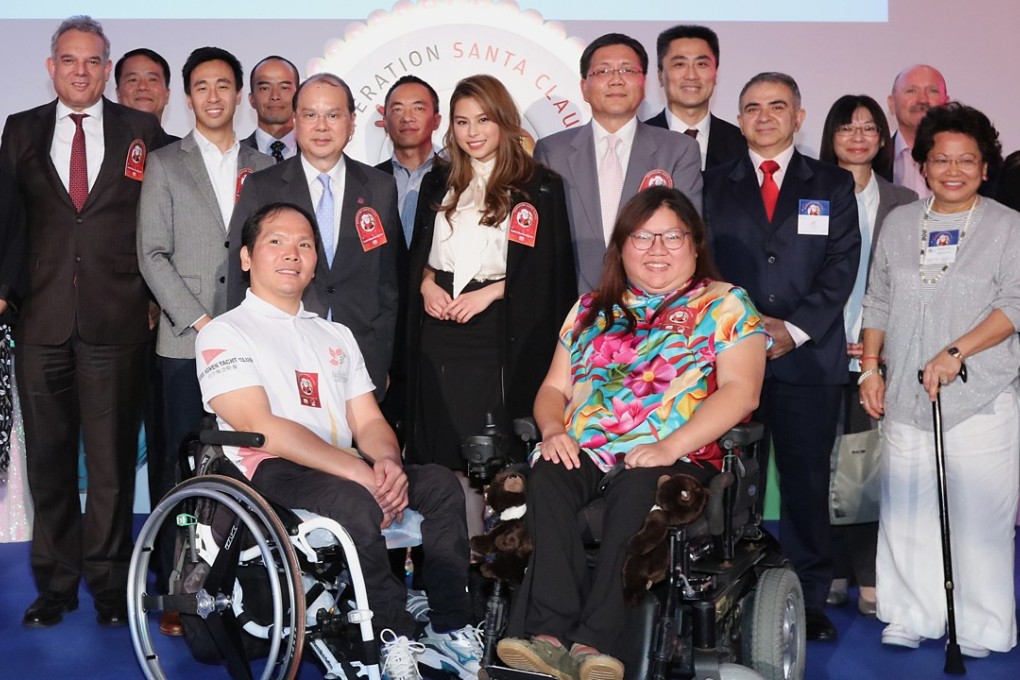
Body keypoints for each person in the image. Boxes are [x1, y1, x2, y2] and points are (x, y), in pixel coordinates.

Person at [197, 201, 482, 680]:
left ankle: (451, 624)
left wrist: (387, 462)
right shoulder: (224, 332)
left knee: (438, 485)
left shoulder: (335, 335)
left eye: (304, 245)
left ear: (314, 262)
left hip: (345, 464)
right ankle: (393, 636)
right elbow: (262, 425)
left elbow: (369, 421)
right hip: (270, 469)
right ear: (246, 258)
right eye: (277, 242)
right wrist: (358, 471)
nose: (292, 254)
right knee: (353, 500)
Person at [496, 186, 766, 680]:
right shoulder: (589, 309)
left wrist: (668, 445)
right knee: (548, 475)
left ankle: (596, 646)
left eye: (671, 237)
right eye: (642, 238)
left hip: (676, 454)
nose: (657, 250)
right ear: (621, 247)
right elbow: (553, 388)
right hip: (589, 449)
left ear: (694, 243)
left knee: (639, 487)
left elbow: (741, 392)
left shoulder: (725, 304)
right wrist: (554, 430)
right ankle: (547, 637)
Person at [0, 15, 163, 628]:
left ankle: (108, 585)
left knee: (113, 464)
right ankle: (55, 586)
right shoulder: (20, 130)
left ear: (106, 69)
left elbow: (162, 218)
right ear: (51, 67)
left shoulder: (141, 130)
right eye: (70, 60)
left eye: (94, 62)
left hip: (117, 319)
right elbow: (5, 217)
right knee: (48, 461)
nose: (81, 71)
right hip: (39, 318)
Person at [703, 72, 861, 642]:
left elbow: (841, 267)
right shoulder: (712, 183)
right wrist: (744, 328)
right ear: (739, 117)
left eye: (777, 106)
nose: (764, 116)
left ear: (798, 115)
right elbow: (705, 265)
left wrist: (794, 329)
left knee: (803, 486)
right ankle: (732, 594)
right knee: (730, 485)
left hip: (807, 360)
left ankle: (808, 598)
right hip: (731, 361)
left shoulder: (833, 184)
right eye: (752, 108)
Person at [860, 102, 1020, 658]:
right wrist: (870, 368)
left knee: (980, 511)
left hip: (984, 393)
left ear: (985, 167)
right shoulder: (901, 222)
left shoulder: (1007, 225)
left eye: (967, 161)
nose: (953, 170)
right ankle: (909, 612)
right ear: (922, 166)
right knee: (905, 504)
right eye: (940, 160)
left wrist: (957, 350)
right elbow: (878, 298)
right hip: (905, 389)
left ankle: (980, 624)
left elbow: (1015, 303)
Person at [137, 46, 273, 636]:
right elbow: (152, 253)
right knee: (179, 466)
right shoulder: (166, 164)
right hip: (184, 344)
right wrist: (200, 320)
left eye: (224, 85)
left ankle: (241, 585)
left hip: (251, 344)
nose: (213, 96)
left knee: (245, 464)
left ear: (239, 94)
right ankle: (173, 590)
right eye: (201, 87)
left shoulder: (265, 166)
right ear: (187, 97)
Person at [405, 74, 576, 538]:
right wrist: (424, 286)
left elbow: (547, 273)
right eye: (461, 122)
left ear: (503, 120)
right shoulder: (438, 180)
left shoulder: (540, 185)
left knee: (498, 463)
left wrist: (492, 292)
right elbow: (420, 254)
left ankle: (500, 571)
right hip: (439, 331)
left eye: (483, 119)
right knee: (444, 459)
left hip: (500, 332)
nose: (472, 131)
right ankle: (452, 569)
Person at [227, 72, 403, 399]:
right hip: (280, 357)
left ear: (351, 122)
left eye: (333, 115)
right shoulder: (260, 187)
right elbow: (240, 276)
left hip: (361, 360)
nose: (322, 126)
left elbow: (388, 285)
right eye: (310, 115)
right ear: (295, 121)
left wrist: (383, 359)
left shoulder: (380, 187)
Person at [818, 94, 917, 617]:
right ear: (830, 135)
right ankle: (831, 568)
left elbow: (914, 284)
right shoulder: (810, 195)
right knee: (820, 465)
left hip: (880, 355)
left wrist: (879, 344)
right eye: (847, 127)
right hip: (818, 350)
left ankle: (869, 573)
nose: (858, 136)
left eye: (869, 127)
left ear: (882, 138)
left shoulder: (904, 200)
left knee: (865, 467)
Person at [534, 32, 702, 293]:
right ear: (584, 88)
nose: (616, 79)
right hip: (572, 306)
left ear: (644, 83)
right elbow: (544, 244)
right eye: (603, 71)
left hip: (653, 305)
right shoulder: (551, 152)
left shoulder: (679, 150)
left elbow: (686, 235)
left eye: (627, 70)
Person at [644, 24, 746, 170]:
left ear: (715, 74)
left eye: (702, 64)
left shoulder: (742, 143)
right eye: (680, 64)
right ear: (660, 76)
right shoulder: (638, 140)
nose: (691, 75)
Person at [376, 75, 443, 248]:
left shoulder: (457, 179)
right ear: (385, 122)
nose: (407, 118)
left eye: (418, 108)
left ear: (436, 121)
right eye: (397, 109)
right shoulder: (369, 182)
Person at [888, 65, 948, 198]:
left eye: (932, 91)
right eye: (911, 91)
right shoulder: (873, 161)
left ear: (946, 104)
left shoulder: (972, 165)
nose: (922, 100)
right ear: (891, 104)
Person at [241, 55, 300, 163]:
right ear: (252, 99)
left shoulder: (317, 153)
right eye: (265, 88)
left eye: (284, 88)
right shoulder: (234, 156)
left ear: (299, 97)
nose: (275, 96)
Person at [114, 47, 176, 147]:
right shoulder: (97, 148)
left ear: (167, 94)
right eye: (133, 79)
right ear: (118, 94)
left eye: (152, 79)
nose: (142, 87)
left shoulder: (183, 153)